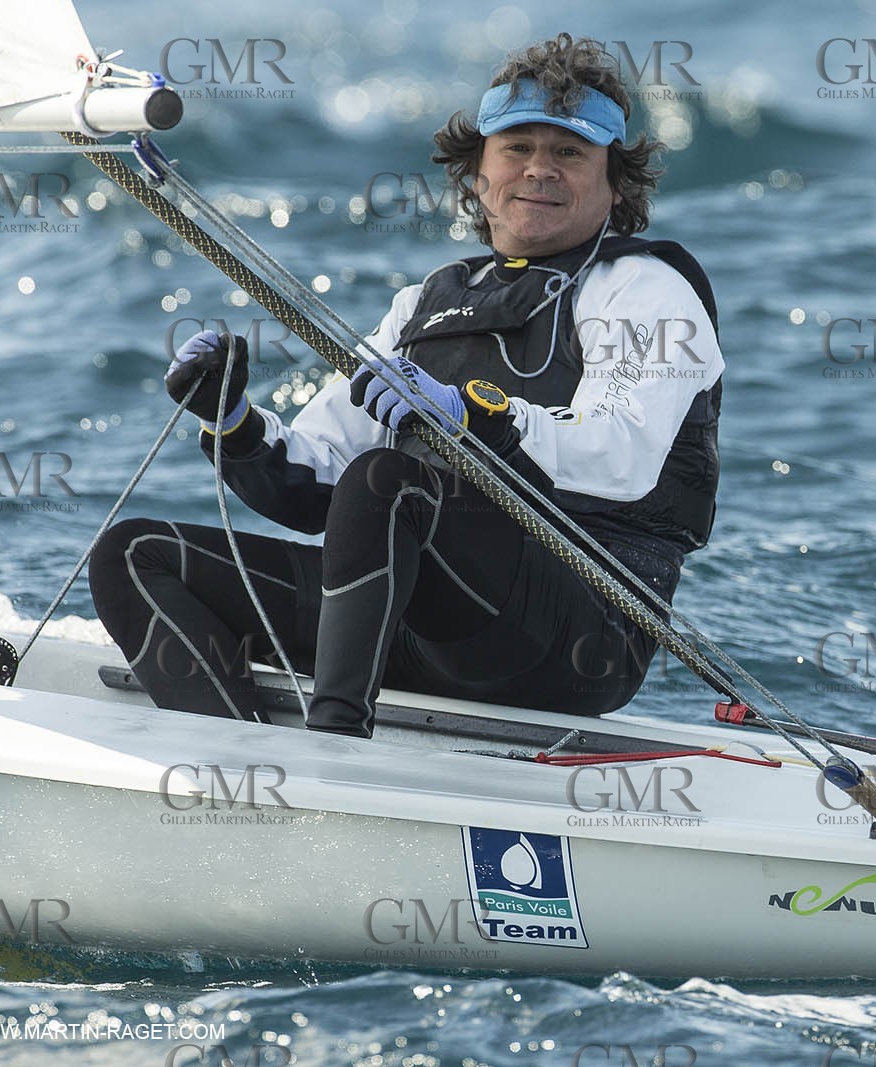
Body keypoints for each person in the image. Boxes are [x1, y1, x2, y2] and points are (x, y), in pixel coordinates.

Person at [88, 33, 723, 738]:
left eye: (569, 153)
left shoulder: (646, 288)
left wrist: (472, 416)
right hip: (420, 620)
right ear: (478, 172)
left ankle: (334, 751)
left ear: (615, 182)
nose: (539, 169)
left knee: (388, 483)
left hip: (578, 638)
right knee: (135, 557)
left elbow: (621, 452)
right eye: (517, 148)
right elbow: (317, 481)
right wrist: (232, 421)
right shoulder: (428, 301)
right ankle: (233, 763)